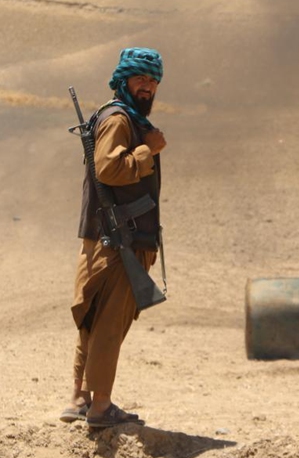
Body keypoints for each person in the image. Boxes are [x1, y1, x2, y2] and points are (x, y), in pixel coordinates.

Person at [60, 47, 167, 428]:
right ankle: (101, 407)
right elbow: (109, 169)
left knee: (94, 320)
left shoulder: (119, 116)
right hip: (118, 241)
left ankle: (79, 399)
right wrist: (147, 150)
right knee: (107, 323)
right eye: (140, 79)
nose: (148, 87)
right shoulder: (121, 120)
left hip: (107, 238)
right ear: (123, 80)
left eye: (153, 81)